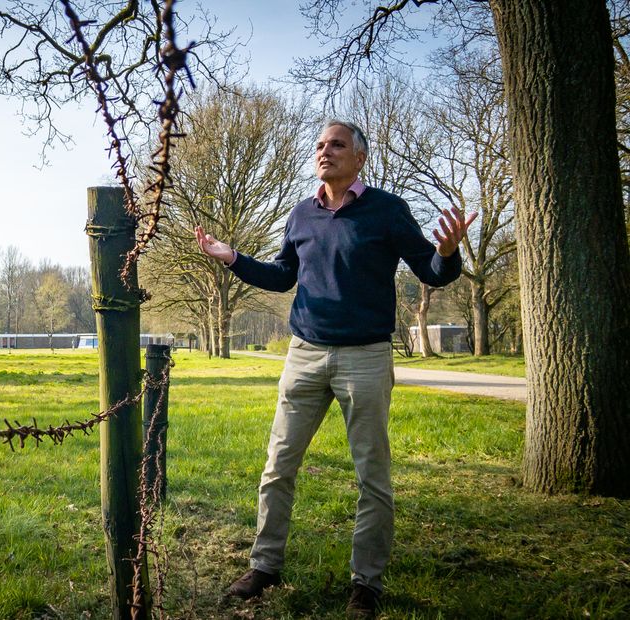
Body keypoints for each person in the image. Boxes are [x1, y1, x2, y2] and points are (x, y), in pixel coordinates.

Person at [195, 120, 475, 619]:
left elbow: (430, 270)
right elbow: (283, 277)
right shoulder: (301, 214)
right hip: (303, 354)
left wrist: (447, 253)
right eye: (320, 145)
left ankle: (365, 584)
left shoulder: (387, 210)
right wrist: (232, 258)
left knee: (373, 475)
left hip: (365, 357)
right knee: (278, 465)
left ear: (360, 157)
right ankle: (265, 565)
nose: (325, 152)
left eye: (337, 145)